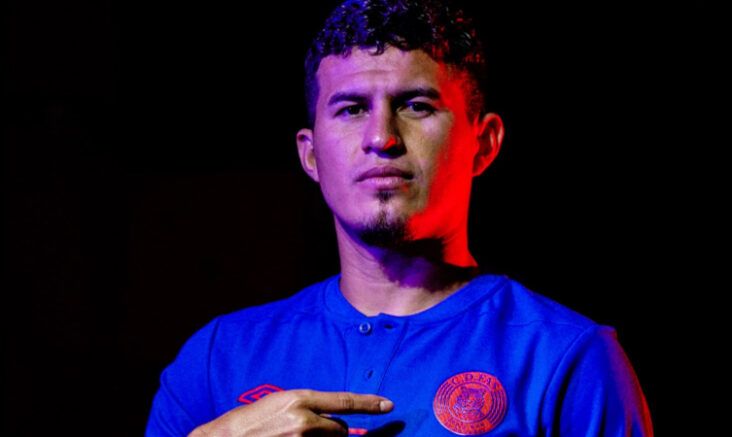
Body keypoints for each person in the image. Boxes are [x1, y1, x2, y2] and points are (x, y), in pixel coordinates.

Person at [146, 0, 653, 435]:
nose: (381, 138)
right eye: (351, 109)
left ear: (483, 143)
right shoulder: (216, 359)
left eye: (415, 106)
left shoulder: (568, 358)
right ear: (311, 154)